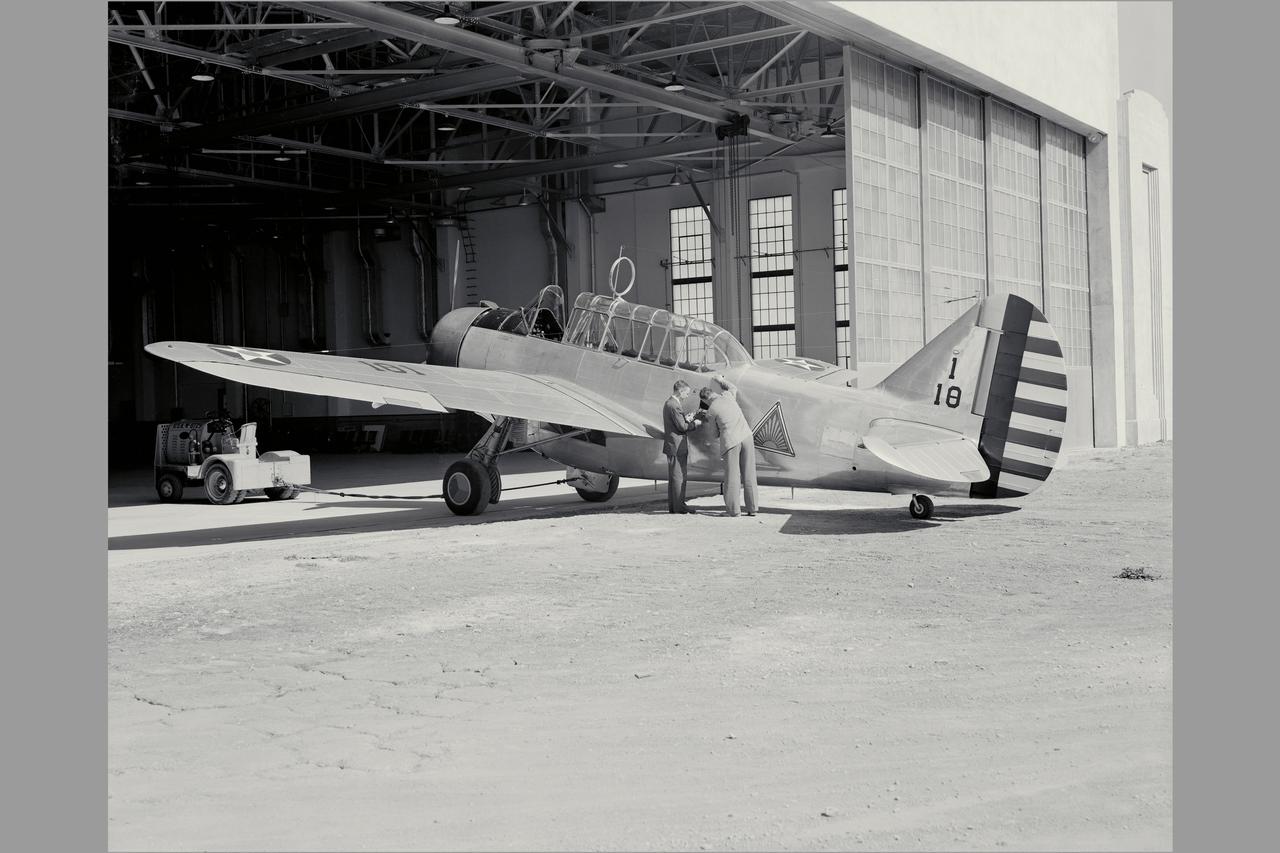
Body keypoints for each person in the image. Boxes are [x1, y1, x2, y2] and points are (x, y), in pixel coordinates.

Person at [698, 374, 759, 517]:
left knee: (732, 476)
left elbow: (713, 435)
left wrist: (705, 419)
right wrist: (720, 380)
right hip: (747, 437)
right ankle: (753, 509)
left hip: (731, 441)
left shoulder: (711, 410)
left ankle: (733, 511)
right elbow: (733, 387)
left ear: (705, 400)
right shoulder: (728, 395)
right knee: (749, 474)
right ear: (713, 393)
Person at [661, 379, 701, 514]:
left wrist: (686, 418)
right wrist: (695, 423)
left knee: (674, 478)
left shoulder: (670, 403)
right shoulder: (674, 405)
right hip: (677, 446)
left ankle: (674, 506)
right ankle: (680, 507)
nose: (687, 396)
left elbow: (677, 423)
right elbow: (682, 427)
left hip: (673, 445)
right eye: (686, 393)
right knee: (679, 477)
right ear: (680, 391)